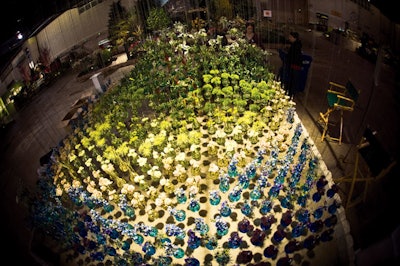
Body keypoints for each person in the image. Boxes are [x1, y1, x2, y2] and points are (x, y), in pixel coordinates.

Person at [279, 31, 302, 98]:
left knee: (291, 80)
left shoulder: (295, 46)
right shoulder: (296, 45)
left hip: (294, 66)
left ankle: (289, 93)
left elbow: (292, 57)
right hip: (294, 66)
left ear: (294, 38)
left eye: (290, 37)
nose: (289, 38)